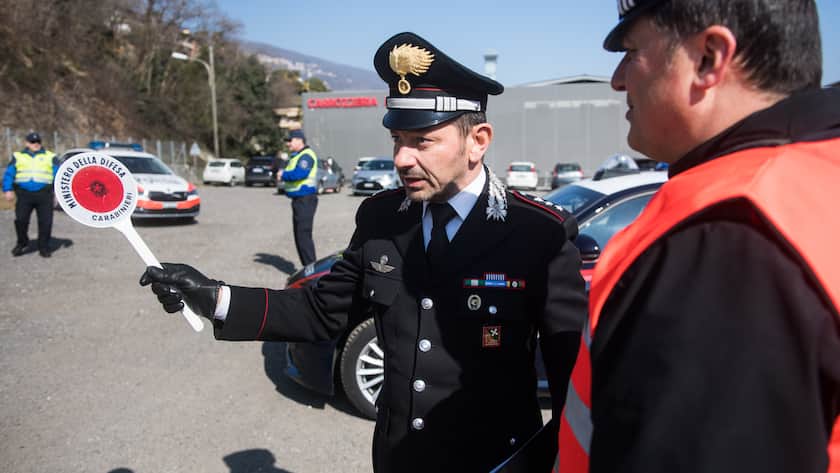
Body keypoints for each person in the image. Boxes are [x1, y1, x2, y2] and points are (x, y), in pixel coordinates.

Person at [140, 32, 587, 473]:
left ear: (478, 141)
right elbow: (321, 311)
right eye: (397, 140)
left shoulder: (538, 235)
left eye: (421, 141)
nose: (401, 159)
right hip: (399, 459)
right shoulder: (383, 219)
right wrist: (216, 297)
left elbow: (577, 382)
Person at [556, 1, 840, 473]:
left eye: (630, 52)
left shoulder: (724, 236)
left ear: (709, 58)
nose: (618, 79)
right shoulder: (818, 174)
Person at [3, 132, 58, 258]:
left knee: (46, 222)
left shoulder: (50, 156)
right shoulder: (18, 156)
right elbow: (9, 174)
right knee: (21, 220)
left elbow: (59, 175)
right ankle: (22, 243)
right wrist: (8, 189)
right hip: (24, 194)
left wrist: (57, 193)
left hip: (44, 194)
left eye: (38, 142)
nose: (36, 144)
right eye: (33, 142)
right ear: (27, 143)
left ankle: (43, 247)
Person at [280, 129, 318, 266]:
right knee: (299, 236)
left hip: (305, 200)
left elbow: (299, 174)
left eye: (290, 140)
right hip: (299, 200)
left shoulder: (306, 156)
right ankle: (307, 268)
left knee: (303, 236)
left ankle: (311, 270)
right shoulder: (296, 155)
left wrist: (283, 175)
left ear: (299, 140)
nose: (288, 143)